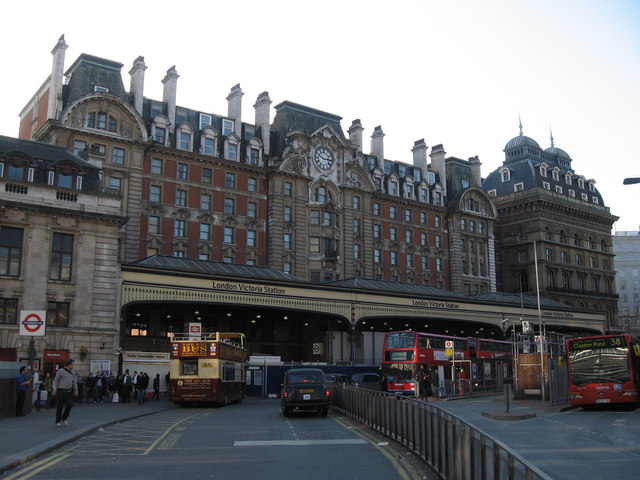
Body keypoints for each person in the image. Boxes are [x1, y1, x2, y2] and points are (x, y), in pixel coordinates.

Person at [52, 359, 78, 426]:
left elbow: (74, 382)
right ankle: (58, 421)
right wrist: (54, 389)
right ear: (69, 364)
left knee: (69, 405)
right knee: (59, 407)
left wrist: (76, 390)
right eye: (72, 364)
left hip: (69, 391)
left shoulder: (73, 372)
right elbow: (55, 381)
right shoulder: (61, 371)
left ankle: (64, 418)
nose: (73, 365)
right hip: (61, 391)